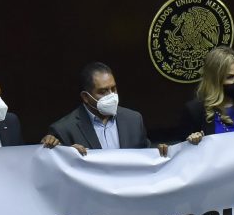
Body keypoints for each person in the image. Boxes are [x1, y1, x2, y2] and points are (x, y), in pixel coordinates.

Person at [41, 61, 169, 156]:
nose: (111, 95)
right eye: (103, 91)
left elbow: (146, 154)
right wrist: (68, 155)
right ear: (86, 97)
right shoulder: (64, 129)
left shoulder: (133, 120)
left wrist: (159, 151)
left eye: (113, 89)